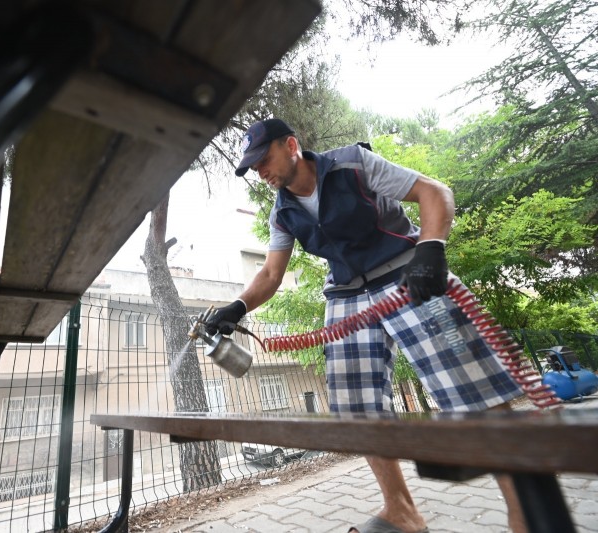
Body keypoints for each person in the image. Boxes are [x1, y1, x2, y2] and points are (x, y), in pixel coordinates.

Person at [205, 118, 527, 533]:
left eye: (263, 159)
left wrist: (431, 250)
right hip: (347, 294)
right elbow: (270, 274)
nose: (260, 171)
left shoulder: (353, 163)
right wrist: (237, 306)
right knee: (355, 410)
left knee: (471, 386)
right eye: (253, 166)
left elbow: (434, 192)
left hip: (407, 272)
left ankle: (524, 509)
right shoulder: (282, 213)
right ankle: (401, 511)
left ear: (291, 146)